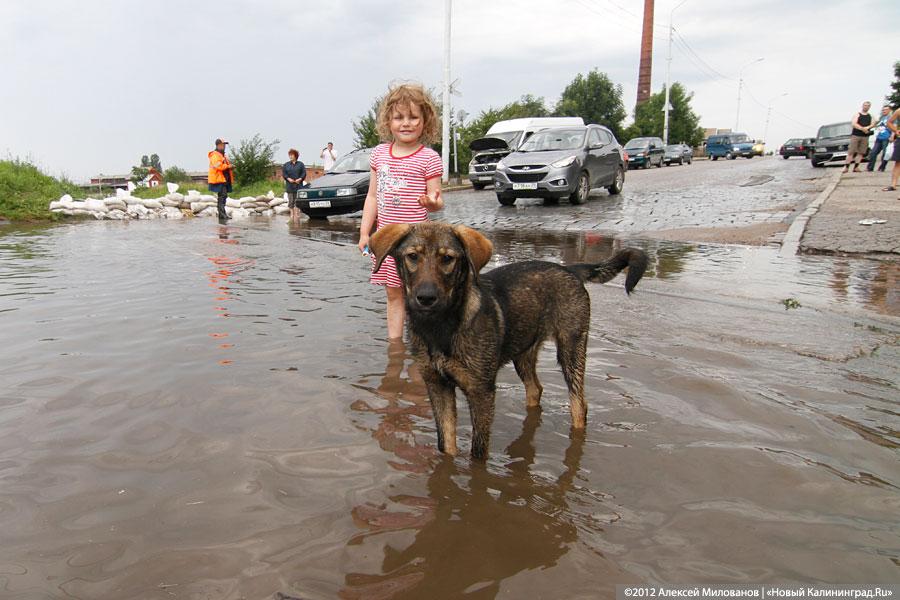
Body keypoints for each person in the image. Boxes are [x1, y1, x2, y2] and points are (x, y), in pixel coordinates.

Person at [357, 83, 443, 340]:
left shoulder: (428, 157)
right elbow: (372, 197)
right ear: (388, 121)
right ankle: (395, 349)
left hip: (417, 245)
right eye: (399, 117)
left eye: (413, 117)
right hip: (388, 240)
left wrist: (432, 203)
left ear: (425, 122)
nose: (406, 123)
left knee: (419, 297)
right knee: (394, 295)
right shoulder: (379, 154)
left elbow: (437, 199)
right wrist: (364, 233)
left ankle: (421, 345)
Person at [208, 138, 236, 220]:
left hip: (224, 179)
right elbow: (218, 166)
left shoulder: (222, 155)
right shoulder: (215, 155)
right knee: (222, 196)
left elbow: (224, 165)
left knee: (224, 196)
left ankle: (222, 214)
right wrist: (228, 166)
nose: (224, 146)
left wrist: (230, 167)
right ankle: (222, 214)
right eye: (223, 144)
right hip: (218, 179)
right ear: (218, 145)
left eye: (224, 145)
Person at [843, 101, 872, 173]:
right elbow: (853, 124)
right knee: (851, 152)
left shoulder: (870, 116)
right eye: (865, 105)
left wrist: (868, 128)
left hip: (865, 136)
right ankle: (846, 167)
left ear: (869, 107)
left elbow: (874, 123)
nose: (866, 107)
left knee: (861, 152)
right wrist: (863, 129)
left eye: (868, 106)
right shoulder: (857, 114)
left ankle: (856, 167)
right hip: (856, 135)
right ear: (862, 106)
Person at [282, 148, 306, 224]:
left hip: (298, 185)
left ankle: (297, 214)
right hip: (290, 185)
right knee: (291, 200)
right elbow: (284, 174)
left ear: (295, 156)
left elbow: (304, 173)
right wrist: (288, 179)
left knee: (297, 201)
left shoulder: (301, 164)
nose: (291, 156)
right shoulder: (286, 165)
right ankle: (292, 214)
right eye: (290, 155)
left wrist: (300, 178)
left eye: (292, 155)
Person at [868, 105, 892, 172]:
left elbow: (894, 127)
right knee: (873, 152)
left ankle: (882, 167)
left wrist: (892, 136)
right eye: (883, 110)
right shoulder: (881, 117)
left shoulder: (892, 118)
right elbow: (876, 125)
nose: (884, 111)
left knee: (885, 153)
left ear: (889, 110)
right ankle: (870, 168)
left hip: (886, 138)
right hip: (879, 138)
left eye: (886, 109)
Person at [882, 106, 900, 193]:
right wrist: (896, 131)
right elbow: (889, 122)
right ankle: (893, 185)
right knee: (898, 163)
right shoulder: (899, 111)